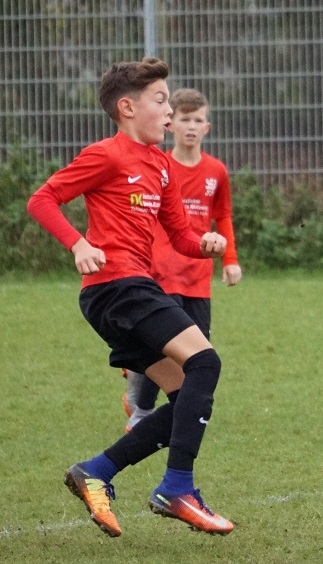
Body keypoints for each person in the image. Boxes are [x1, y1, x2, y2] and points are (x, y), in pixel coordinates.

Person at [26, 58, 234, 537]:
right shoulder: (107, 155)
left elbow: (180, 237)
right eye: (160, 101)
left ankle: (95, 470)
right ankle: (177, 488)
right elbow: (42, 199)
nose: (169, 111)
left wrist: (205, 243)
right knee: (205, 362)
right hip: (117, 287)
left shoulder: (160, 166)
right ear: (126, 108)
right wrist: (78, 244)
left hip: (127, 290)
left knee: (185, 396)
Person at [122, 87, 242, 432]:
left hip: (197, 274)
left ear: (207, 127)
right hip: (161, 270)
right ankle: (142, 411)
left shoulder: (216, 171)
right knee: (165, 345)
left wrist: (230, 259)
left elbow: (223, 216)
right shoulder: (159, 166)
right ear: (171, 124)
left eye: (198, 120)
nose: (191, 126)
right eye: (185, 119)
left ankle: (143, 387)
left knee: (197, 349)